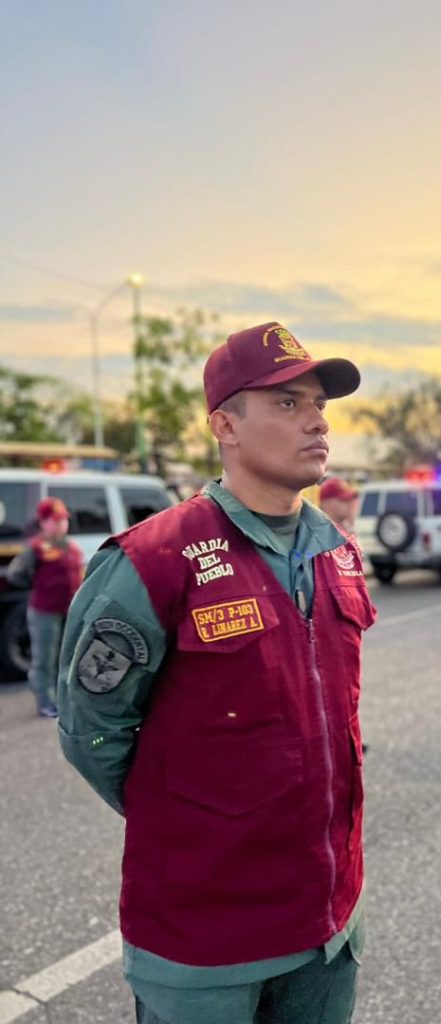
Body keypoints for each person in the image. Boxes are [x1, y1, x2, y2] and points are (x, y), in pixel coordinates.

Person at [58, 322, 375, 1024]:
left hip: (326, 927)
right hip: (203, 942)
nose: (318, 422)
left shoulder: (336, 551)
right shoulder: (153, 561)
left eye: (319, 404)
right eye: (287, 403)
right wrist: (194, 817)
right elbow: (91, 731)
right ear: (225, 426)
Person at [6, 497, 83, 718]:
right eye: (55, 520)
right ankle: (45, 702)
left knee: (66, 657)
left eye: (63, 520)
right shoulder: (36, 548)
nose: (61, 524)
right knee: (44, 660)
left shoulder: (71, 547)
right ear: (43, 522)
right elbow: (15, 574)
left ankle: (63, 700)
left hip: (68, 610)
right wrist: (38, 587)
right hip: (44, 612)